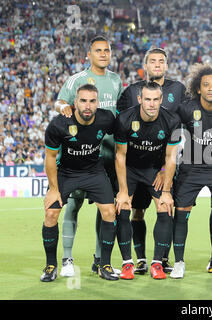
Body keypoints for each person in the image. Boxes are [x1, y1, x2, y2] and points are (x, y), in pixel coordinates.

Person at [55, 35, 124, 278]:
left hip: (107, 156)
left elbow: (120, 115)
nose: (103, 54)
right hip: (80, 155)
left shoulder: (116, 80)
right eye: (98, 50)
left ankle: (99, 260)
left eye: (107, 50)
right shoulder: (78, 80)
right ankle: (66, 259)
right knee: (73, 205)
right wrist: (63, 107)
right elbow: (60, 102)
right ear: (89, 54)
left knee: (105, 209)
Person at [166, 63, 212, 279]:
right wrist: (164, 170)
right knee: (181, 213)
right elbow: (169, 135)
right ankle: (179, 262)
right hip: (190, 168)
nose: (210, 88)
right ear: (198, 88)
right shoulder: (186, 109)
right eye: (206, 85)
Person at [117, 47, 185, 274]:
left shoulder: (175, 105)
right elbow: (121, 153)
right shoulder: (127, 108)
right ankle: (134, 261)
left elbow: (172, 153)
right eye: (147, 99)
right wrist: (123, 190)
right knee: (128, 209)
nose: (151, 103)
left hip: (157, 168)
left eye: (156, 100)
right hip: (131, 167)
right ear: (140, 99)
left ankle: (159, 261)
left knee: (165, 206)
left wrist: (166, 175)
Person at [41, 84, 118, 282]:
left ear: (97, 103)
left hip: (94, 171)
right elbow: (50, 157)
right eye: (83, 101)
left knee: (110, 212)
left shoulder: (106, 118)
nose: (87, 106)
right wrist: (52, 189)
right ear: (75, 103)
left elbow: (122, 142)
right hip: (67, 173)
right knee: (51, 212)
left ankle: (105, 265)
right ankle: (51, 266)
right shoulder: (59, 124)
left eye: (92, 101)